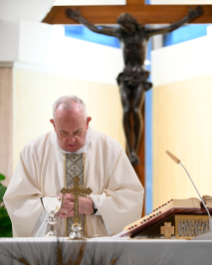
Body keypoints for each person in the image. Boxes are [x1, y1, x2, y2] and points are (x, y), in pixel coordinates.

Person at [66, 6, 203, 165]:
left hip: (139, 77)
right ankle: (130, 149)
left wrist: (189, 16)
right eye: (122, 25)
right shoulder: (120, 34)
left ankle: (134, 150)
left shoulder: (144, 33)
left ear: (131, 22)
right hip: (125, 77)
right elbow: (96, 29)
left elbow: (170, 27)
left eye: (126, 25)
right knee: (126, 111)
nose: (124, 28)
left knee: (136, 110)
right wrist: (78, 18)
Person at [4, 96, 144, 237]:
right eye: (63, 133)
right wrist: (50, 207)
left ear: (87, 122)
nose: (71, 140)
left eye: (77, 132)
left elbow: (131, 198)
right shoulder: (33, 151)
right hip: (50, 251)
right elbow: (17, 202)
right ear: (53, 125)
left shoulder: (110, 150)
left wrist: (94, 206)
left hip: (98, 252)